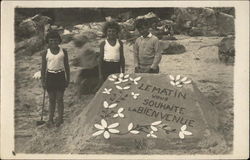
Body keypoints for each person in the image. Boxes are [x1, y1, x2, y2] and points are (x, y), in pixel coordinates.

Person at [41, 31, 70, 127]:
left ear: (59, 40)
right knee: (52, 99)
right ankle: (50, 119)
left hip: (60, 76)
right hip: (50, 76)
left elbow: (67, 66)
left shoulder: (63, 52)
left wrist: (68, 79)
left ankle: (60, 118)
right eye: (51, 40)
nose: (54, 42)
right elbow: (43, 68)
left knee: (60, 99)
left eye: (56, 40)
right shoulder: (45, 52)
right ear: (48, 41)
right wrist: (43, 81)